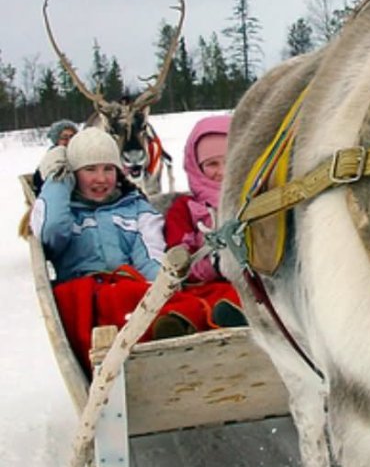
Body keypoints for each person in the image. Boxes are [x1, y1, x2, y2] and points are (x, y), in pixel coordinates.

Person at [29, 128, 241, 373]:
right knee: (114, 297)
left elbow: (150, 253)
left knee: (199, 293)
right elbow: (51, 227)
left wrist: (160, 292)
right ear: (73, 175)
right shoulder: (67, 213)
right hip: (86, 288)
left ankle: (182, 320)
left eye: (108, 169)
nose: (101, 178)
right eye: (90, 170)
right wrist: (57, 180)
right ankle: (172, 325)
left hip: (133, 283)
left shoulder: (135, 208)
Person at [164, 115, 246, 326]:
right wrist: (212, 265)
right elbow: (179, 256)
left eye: (229, 161)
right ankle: (180, 326)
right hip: (204, 284)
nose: (222, 172)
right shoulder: (185, 208)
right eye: (211, 164)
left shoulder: (252, 200)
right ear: (196, 166)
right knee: (193, 305)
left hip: (249, 282)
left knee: (244, 297)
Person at [32, 119, 81, 192]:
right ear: (57, 140)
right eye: (64, 138)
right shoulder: (54, 156)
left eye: (72, 137)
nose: (69, 141)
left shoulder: (78, 154)